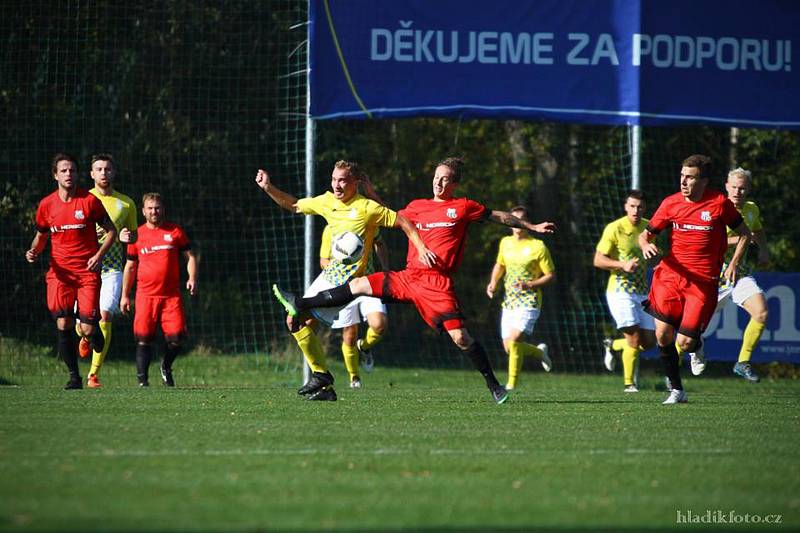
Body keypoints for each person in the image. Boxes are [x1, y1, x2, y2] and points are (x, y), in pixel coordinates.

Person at [273, 157, 557, 404]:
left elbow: (499, 216)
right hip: (408, 277)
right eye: (436, 178)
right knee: (359, 285)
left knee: (460, 337)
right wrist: (370, 190)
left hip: (437, 284)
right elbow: (389, 214)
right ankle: (301, 302)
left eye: (445, 179)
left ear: (454, 184)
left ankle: (494, 386)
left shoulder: (462, 207)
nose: (438, 183)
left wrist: (532, 226)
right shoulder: (417, 206)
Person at [256, 160, 436, 401]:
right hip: (329, 275)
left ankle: (324, 372)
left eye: (342, 180)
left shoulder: (367, 207)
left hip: (349, 283)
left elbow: (403, 222)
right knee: (293, 321)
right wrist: (269, 187)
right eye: (333, 179)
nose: (337, 185)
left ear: (355, 183)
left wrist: (421, 247)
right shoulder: (327, 201)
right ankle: (324, 384)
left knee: (304, 315)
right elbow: (295, 205)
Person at [639, 154, 751, 405]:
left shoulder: (720, 203)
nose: (684, 181)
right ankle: (677, 390)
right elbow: (646, 235)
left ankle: (696, 345)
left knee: (686, 342)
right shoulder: (671, 203)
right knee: (662, 334)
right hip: (670, 275)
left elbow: (745, 234)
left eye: (690, 177)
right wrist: (646, 244)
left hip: (703, 282)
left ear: (704, 181)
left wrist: (733, 264)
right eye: (682, 176)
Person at [26, 153, 118, 389]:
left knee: (86, 327)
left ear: (78, 174)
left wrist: (98, 256)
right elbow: (42, 235)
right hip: (59, 275)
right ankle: (74, 377)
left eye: (72, 171)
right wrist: (33, 251)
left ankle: (92, 333)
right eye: (64, 171)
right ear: (55, 175)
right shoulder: (47, 205)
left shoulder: (88, 201)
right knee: (64, 323)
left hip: (87, 274)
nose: (69, 174)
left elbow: (111, 231)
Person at [688, 168, 770, 383]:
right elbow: (709, 244)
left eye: (742, 188)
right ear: (726, 186)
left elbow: (757, 229)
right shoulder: (716, 210)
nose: (737, 192)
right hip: (713, 276)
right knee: (687, 335)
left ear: (749, 189)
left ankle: (742, 362)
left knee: (761, 313)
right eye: (734, 187)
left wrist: (763, 249)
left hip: (740, 274)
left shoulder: (752, 209)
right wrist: (744, 238)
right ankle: (682, 365)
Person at [120, 193, 198, 387]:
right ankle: (142, 382)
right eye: (150, 208)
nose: (154, 211)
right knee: (144, 339)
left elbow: (190, 257)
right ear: (143, 211)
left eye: (157, 208)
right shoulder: (137, 235)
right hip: (145, 296)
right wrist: (124, 296)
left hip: (171, 296)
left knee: (177, 338)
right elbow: (130, 267)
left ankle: (165, 365)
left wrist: (192, 278)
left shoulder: (175, 231)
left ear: (163, 209)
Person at [76, 154, 138, 388]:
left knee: (105, 316)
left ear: (114, 173)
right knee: (83, 323)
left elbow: (134, 236)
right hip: (84, 268)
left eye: (108, 169)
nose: (104, 173)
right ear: (91, 174)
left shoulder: (126, 203)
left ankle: (93, 375)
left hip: (112, 268)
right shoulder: (82, 200)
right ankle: (84, 334)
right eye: (99, 169)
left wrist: (127, 237)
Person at [486, 205, 555, 390]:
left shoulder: (537, 246)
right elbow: (500, 265)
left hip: (529, 301)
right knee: (509, 347)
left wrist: (530, 284)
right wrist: (493, 282)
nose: (517, 224)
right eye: (514, 219)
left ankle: (511, 385)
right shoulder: (505, 243)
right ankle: (539, 353)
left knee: (515, 341)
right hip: (510, 301)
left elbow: (550, 275)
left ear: (527, 222)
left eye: (521, 219)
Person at [594, 190, 656, 392]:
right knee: (634, 337)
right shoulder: (615, 228)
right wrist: (622, 265)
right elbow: (598, 260)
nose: (636, 210)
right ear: (625, 207)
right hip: (620, 290)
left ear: (644, 208)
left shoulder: (649, 227)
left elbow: (654, 256)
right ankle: (630, 384)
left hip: (642, 291)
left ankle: (613, 345)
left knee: (648, 343)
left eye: (639, 207)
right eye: (632, 206)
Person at [319, 222, 388, 388]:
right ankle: (354, 378)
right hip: (344, 287)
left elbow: (380, 243)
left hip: (368, 282)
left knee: (379, 325)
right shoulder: (330, 229)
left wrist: (387, 270)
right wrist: (339, 271)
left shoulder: (366, 223)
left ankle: (363, 347)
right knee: (349, 333)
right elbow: (323, 260)